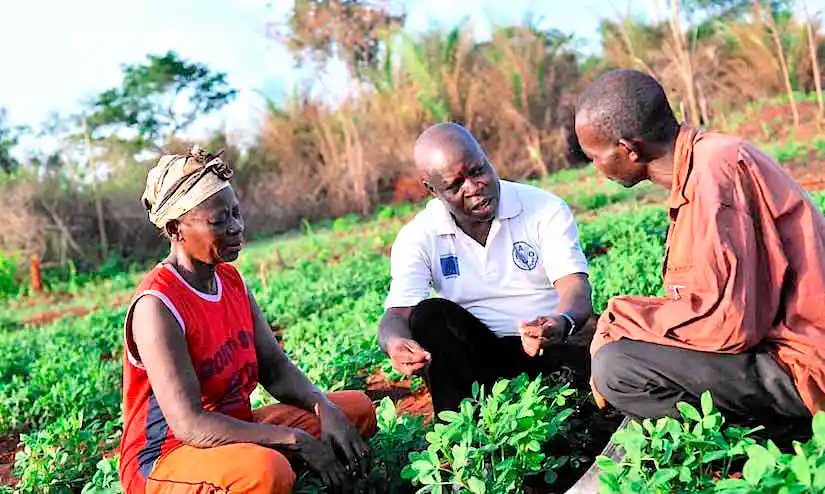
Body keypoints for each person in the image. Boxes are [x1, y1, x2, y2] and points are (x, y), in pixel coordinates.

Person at [119, 146, 377, 494]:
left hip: (233, 430)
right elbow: (191, 424)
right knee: (266, 472)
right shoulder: (158, 305)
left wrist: (323, 405)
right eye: (219, 220)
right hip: (167, 456)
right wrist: (293, 439)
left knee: (353, 412)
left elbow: (273, 366)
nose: (236, 227)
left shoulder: (230, 280)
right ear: (176, 228)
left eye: (235, 214)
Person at [574, 68, 825, 423]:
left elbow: (731, 325)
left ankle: (751, 448)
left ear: (629, 149)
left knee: (616, 368)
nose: (596, 168)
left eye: (595, 156)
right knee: (623, 347)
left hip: (803, 364)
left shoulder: (714, 174)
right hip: (779, 344)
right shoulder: (702, 166)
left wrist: (621, 316)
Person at [378, 122, 594, 414]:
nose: (474, 187)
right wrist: (395, 342)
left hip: (546, 346)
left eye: (478, 170)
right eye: (455, 185)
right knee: (429, 315)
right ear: (432, 190)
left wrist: (561, 321)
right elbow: (397, 315)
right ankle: (462, 431)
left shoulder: (544, 208)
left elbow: (575, 288)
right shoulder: (419, 236)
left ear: (486, 157)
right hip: (477, 362)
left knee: (592, 355)